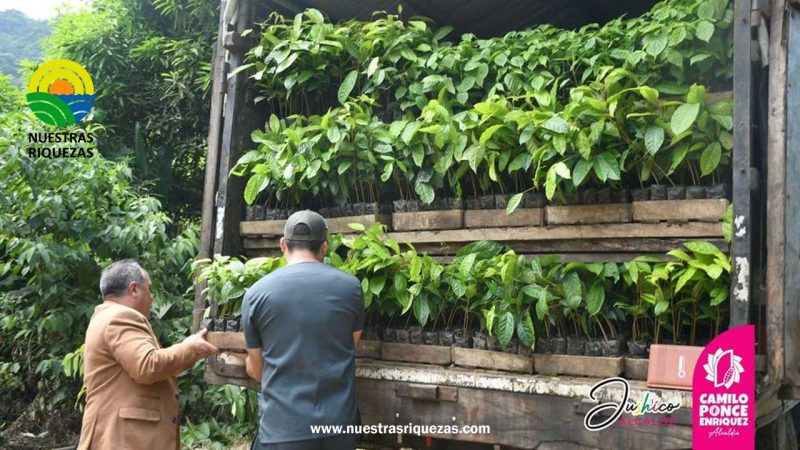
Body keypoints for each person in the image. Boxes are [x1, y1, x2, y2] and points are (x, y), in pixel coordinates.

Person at [238, 210, 364, 450]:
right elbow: (351, 347)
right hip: (338, 427)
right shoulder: (351, 288)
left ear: (282, 245)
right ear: (324, 247)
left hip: (283, 429)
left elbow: (257, 371)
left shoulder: (256, 294)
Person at [77, 259, 218, 450]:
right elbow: (147, 366)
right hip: (123, 439)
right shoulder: (120, 317)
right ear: (134, 289)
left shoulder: (105, 316)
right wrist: (190, 348)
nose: (151, 297)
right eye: (149, 289)